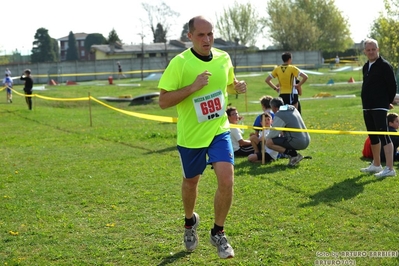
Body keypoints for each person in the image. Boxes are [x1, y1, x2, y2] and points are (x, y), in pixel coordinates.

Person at [157, 15, 247, 259]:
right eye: (201, 35)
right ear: (190, 36)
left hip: (218, 130)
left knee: (227, 180)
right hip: (191, 136)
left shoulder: (223, 58)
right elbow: (163, 101)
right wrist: (192, 88)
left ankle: (218, 232)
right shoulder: (180, 63)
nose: (207, 39)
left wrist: (235, 87)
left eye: (210, 34)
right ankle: (190, 222)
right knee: (191, 183)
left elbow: (226, 85)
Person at [360, 38, 397, 178]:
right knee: (373, 135)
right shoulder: (366, 66)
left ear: (378, 49)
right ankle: (376, 164)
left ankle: (389, 168)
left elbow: (392, 86)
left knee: (384, 135)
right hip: (367, 106)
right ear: (365, 51)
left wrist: (387, 101)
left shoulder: (385, 66)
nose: (371, 52)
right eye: (368, 50)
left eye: (373, 49)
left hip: (380, 106)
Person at [265, 97, 310, 166]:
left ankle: (294, 155)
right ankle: (293, 156)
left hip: (298, 142)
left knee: (269, 142)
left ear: (274, 107)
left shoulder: (279, 114)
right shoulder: (291, 108)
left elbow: (273, 134)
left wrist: (264, 138)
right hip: (306, 139)